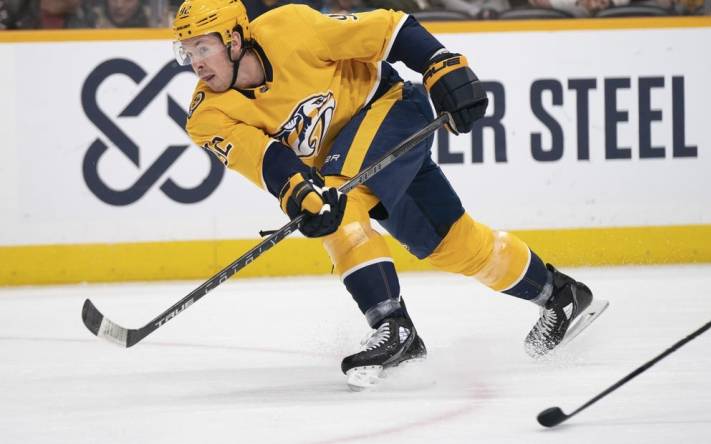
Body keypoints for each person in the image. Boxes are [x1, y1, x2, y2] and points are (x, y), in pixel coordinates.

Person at [172, 0, 602, 389]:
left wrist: (440, 64)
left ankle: (392, 325)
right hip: (354, 159)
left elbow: (389, 29)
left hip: (393, 108)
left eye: (202, 49)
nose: (195, 64)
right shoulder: (207, 114)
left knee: (339, 199)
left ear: (233, 38)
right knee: (452, 244)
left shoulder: (292, 27)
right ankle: (560, 296)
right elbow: (264, 159)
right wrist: (299, 193)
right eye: (187, 52)